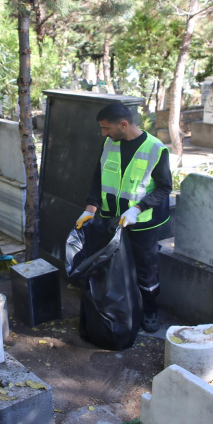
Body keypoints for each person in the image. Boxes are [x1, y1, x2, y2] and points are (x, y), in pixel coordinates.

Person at [76, 103, 172, 332]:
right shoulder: (110, 144)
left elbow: (164, 188)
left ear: (123, 124)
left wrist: (137, 209)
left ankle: (149, 309)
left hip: (143, 222)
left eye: (106, 128)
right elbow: (98, 177)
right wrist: (90, 208)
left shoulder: (156, 149)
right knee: (114, 264)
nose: (103, 133)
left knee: (146, 267)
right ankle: (122, 306)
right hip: (112, 218)